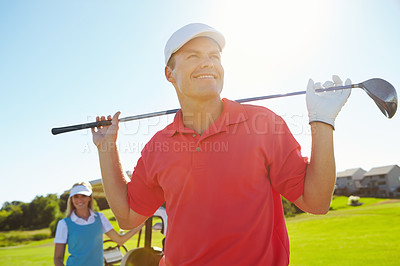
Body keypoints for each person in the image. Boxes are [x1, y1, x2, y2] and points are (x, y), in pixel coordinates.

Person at [92, 23, 351, 265]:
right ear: (169, 74)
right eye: (193, 56)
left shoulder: (263, 124)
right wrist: (106, 149)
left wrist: (322, 121)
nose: (207, 63)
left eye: (214, 56)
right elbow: (127, 216)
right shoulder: (158, 146)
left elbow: (315, 201)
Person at [53, 181, 143, 266]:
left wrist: (141, 223)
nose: (79, 199)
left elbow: (120, 240)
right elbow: (57, 258)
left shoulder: (100, 218)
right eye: (76, 196)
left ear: (89, 198)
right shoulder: (64, 224)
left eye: (83, 195)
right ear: (71, 199)